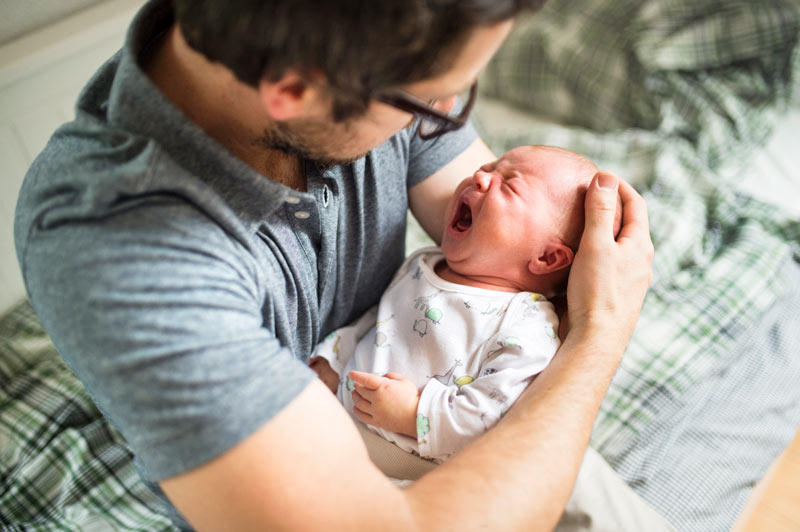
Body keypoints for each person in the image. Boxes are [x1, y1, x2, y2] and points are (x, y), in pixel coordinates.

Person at [13, 0, 654, 530]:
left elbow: (512, 257)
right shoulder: (122, 254)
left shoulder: (366, 48)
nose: (449, 122)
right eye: (431, 102)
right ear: (293, 92)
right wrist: (601, 333)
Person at [310, 145, 622, 463]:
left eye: (511, 185)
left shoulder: (527, 324)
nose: (480, 177)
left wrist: (414, 413)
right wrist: (335, 358)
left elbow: (489, 416)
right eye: (490, 166)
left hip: (410, 462)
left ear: (546, 258)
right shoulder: (424, 263)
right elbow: (382, 322)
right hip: (334, 420)